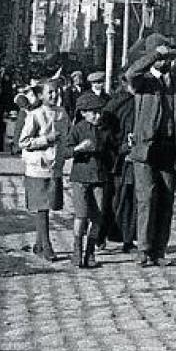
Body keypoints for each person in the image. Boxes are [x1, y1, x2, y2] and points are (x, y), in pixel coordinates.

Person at [125, 39, 176, 267]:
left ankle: (159, 250)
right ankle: (143, 249)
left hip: (170, 148)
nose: (165, 62)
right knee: (146, 198)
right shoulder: (143, 82)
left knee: (166, 199)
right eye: (162, 58)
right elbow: (131, 73)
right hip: (146, 149)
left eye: (168, 58)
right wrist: (154, 54)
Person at [18, 81, 63, 262]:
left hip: (54, 166)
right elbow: (23, 141)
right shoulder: (35, 115)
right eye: (49, 92)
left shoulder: (62, 113)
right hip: (37, 167)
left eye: (56, 91)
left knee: (49, 205)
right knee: (42, 207)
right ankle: (47, 246)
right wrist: (46, 139)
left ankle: (38, 244)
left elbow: (66, 136)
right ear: (41, 95)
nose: (53, 95)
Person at [65, 91, 110, 269]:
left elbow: (111, 149)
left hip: (99, 177)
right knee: (81, 215)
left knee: (98, 217)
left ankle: (90, 252)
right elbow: (65, 152)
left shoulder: (104, 129)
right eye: (94, 113)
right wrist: (79, 148)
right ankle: (77, 251)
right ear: (83, 112)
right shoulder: (78, 128)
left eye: (100, 112)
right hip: (80, 178)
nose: (98, 116)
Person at [102, 77, 138, 254]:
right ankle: (100, 235)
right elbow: (105, 132)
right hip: (116, 159)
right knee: (112, 198)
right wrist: (121, 146)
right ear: (124, 83)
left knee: (130, 199)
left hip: (135, 158)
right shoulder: (116, 104)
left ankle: (128, 239)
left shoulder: (142, 100)